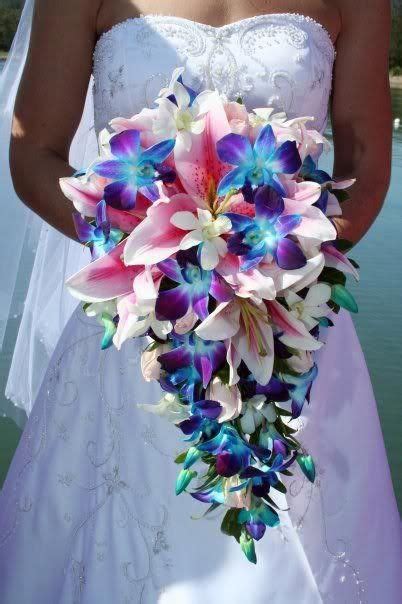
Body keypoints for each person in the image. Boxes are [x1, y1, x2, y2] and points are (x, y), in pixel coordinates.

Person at [0, 1, 401, 602]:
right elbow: (35, 157)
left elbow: (365, 162)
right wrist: (153, 256)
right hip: (139, 316)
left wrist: (273, 268)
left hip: (285, 316)